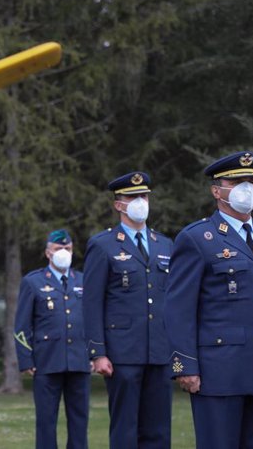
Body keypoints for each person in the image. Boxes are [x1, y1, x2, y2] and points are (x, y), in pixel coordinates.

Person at [165, 151, 253, 448]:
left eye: (251, 180)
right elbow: (179, 308)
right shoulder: (198, 238)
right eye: (236, 181)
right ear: (216, 190)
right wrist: (184, 365)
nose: (246, 188)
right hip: (219, 370)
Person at [83, 172, 173, 448]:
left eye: (143, 196)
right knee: (125, 427)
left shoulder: (165, 245)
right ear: (118, 204)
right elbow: (92, 302)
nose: (139, 202)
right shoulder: (103, 244)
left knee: (158, 428)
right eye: (132, 197)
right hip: (123, 352)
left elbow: (171, 300)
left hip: (159, 350)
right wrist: (98, 352)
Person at [14, 229, 91, 449]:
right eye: (59, 249)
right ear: (48, 252)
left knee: (79, 420)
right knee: (46, 421)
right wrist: (26, 359)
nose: (64, 252)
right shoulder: (33, 282)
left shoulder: (84, 281)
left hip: (79, 360)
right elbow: (21, 325)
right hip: (46, 361)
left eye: (68, 248)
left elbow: (93, 321)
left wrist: (96, 353)